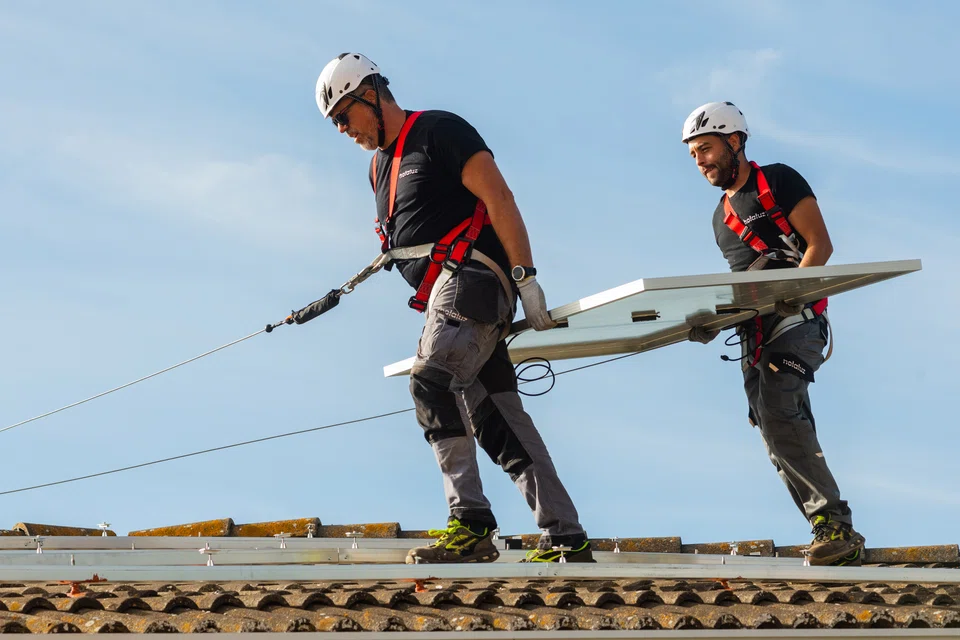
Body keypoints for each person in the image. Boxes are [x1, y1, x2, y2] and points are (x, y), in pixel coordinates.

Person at [315, 53, 591, 564]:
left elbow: (500, 198)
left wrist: (526, 280)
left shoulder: (440, 131)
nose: (341, 130)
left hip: (475, 282)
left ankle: (470, 523)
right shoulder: (379, 168)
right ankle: (566, 538)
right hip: (448, 297)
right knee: (497, 421)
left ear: (371, 94)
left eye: (343, 116)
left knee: (430, 381)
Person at [681, 101, 865, 566]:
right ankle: (827, 527)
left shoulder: (778, 181)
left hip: (798, 321)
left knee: (780, 410)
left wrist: (795, 298)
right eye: (694, 154)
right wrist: (710, 321)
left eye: (706, 149)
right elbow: (743, 287)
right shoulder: (721, 220)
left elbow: (819, 245)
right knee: (770, 424)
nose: (701, 161)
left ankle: (835, 525)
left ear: (735, 142)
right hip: (753, 331)